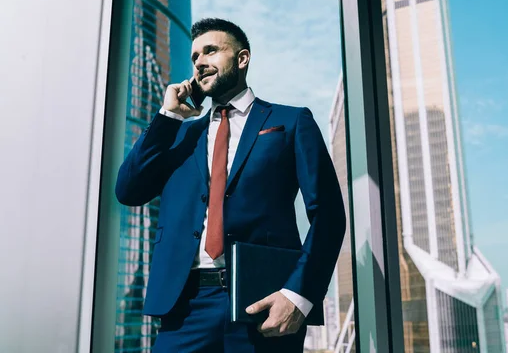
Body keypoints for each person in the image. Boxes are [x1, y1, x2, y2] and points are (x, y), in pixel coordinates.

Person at [115, 18, 346, 352]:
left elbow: (328, 215)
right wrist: (168, 117)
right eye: (195, 57)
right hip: (183, 308)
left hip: (263, 304)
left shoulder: (291, 122)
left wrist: (299, 295)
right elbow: (128, 190)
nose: (199, 62)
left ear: (242, 59)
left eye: (211, 50)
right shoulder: (180, 135)